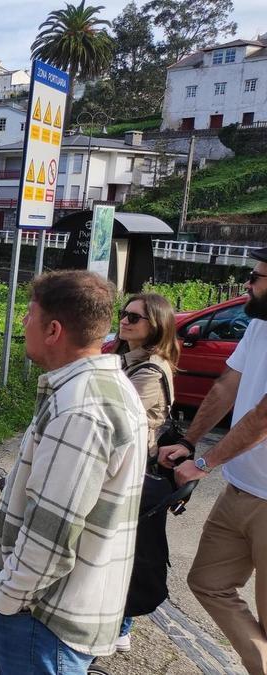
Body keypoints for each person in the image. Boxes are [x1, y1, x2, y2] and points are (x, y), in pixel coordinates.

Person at [0, 270, 146, 674]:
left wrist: (8, 598)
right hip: (64, 609)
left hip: (42, 617)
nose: (22, 323)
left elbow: (52, 531)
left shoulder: (79, 410)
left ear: (53, 329)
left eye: (28, 315)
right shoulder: (109, 387)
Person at [160, 247, 267, 675]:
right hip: (241, 488)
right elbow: (226, 386)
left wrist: (204, 464)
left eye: (257, 277)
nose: (248, 283)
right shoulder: (259, 325)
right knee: (207, 581)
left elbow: (262, 417)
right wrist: (189, 441)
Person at [109, 292, 179, 652]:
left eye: (134, 318)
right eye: (124, 314)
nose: (125, 320)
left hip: (134, 471)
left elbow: (114, 415)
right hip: (124, 466)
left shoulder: (150, 370)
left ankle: (121, 625)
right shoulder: (129, 358)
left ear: (156, 327)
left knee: (126, 549)